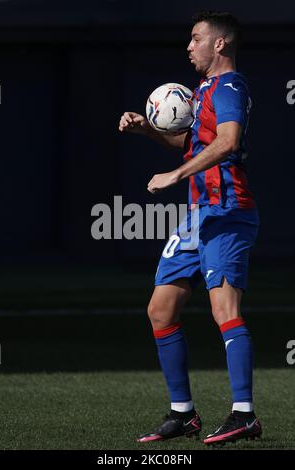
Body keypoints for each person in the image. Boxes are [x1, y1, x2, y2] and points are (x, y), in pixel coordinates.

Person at [119, 10, 262, 446]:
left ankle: (244, 415)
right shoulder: (203, 91)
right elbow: (194, 144)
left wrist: (175, 175)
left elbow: (228, 141)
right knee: (160, 310)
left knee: (225, 311)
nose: (189, 46)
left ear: (219, 44)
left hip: (227, 211)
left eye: (196, 38)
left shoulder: (231, 87)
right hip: (199, 215)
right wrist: (148, 133)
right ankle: (183, 414)